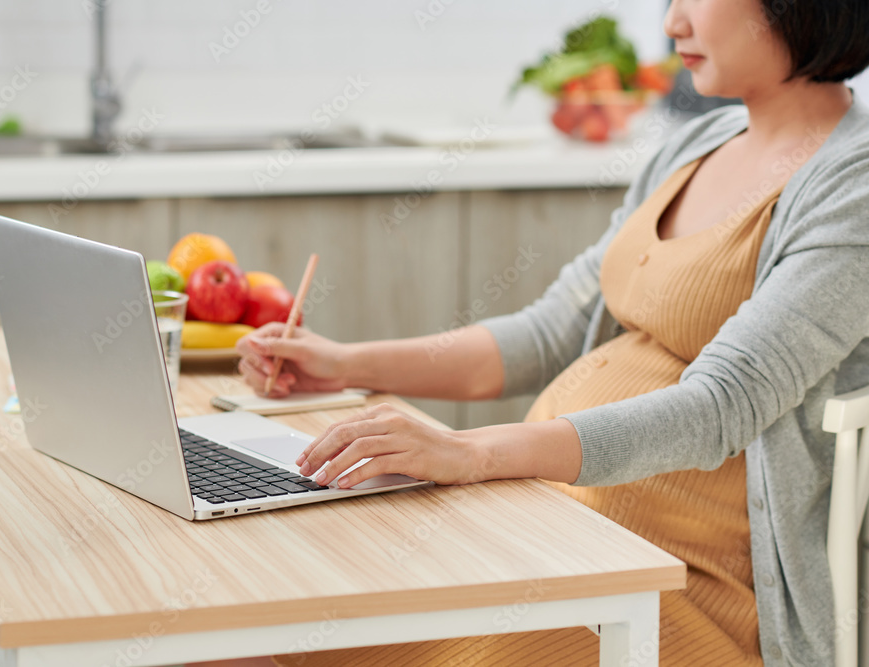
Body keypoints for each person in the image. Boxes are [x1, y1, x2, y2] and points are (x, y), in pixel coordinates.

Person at [210, 0, 869, 664]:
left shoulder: (854, 183)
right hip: (545, 524)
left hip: (675, 580)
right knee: (254, 606)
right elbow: (548, 333)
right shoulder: (696, 144)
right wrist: (346, 363)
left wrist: (471, 453)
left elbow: (721, 405)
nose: (672, 25)